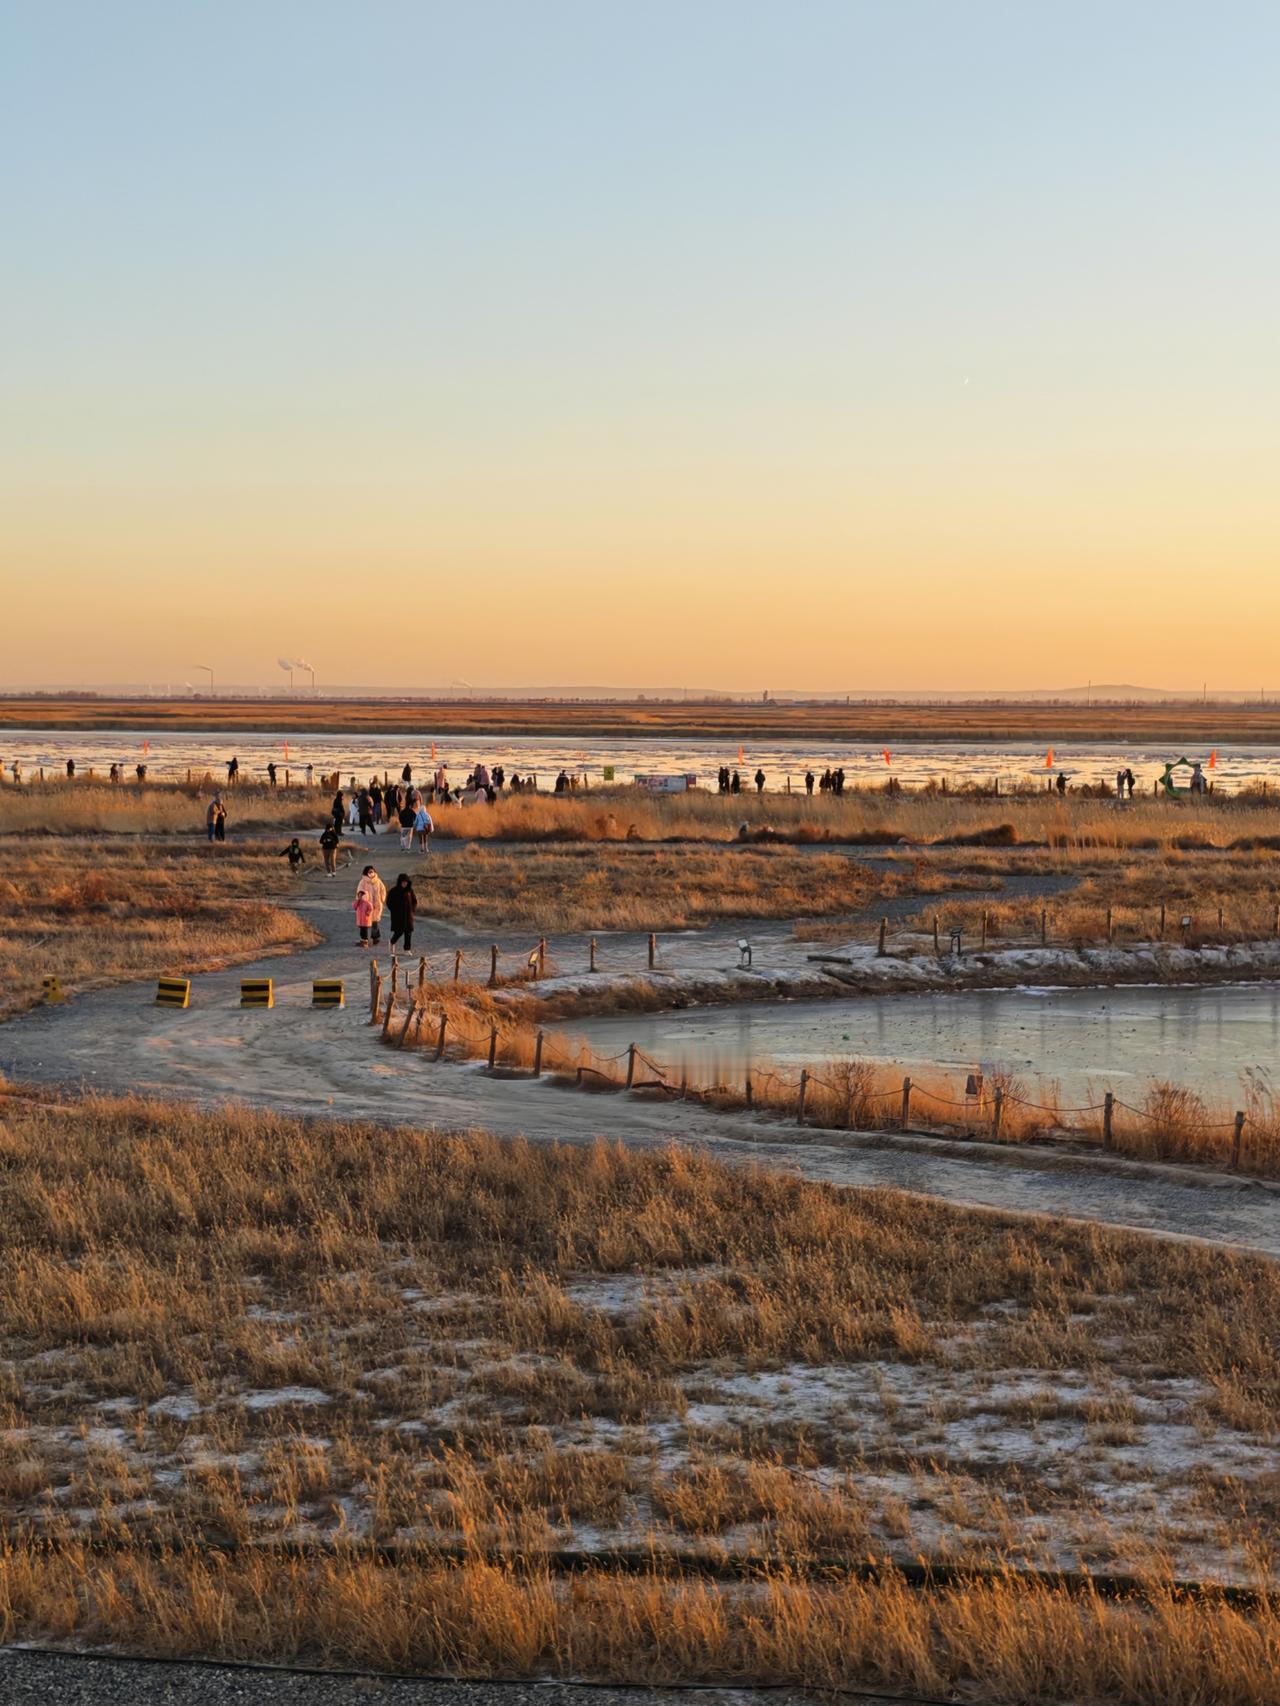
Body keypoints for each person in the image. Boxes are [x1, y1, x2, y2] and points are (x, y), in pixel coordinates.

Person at [354, 866, 386, 946]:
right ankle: (364, 939)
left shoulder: (378, 881)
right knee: (364, 923)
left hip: (376, 905)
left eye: (372, 871)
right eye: (369, 872)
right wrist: (364, 900)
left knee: (375, 922)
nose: (371, 873)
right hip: (366, 906)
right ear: (366, 873)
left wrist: (382, 899)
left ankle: (375, 937)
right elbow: (360, 892)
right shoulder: (362, 882)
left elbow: (383, 890)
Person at [386, 873, 417, 953]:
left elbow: (414, 901)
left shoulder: (410, 890)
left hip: (408, 915)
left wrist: (412, 910)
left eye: (406, 882)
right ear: (399, 882)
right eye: (403, 882)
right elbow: (389, 902)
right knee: (399, 932)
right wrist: (394, 910)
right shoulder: (393, 891)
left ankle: (407, 949)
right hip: (398, 916)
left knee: (408, 932)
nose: (405, 883)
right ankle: (392, 942)